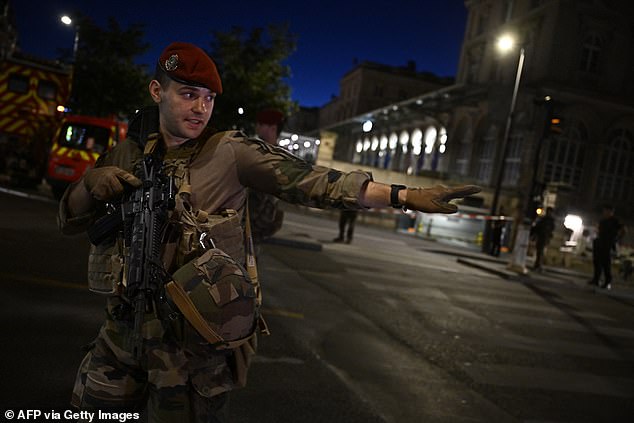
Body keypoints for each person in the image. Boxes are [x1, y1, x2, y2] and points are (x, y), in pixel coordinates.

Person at [58, 41, 481, 421]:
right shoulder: (126, 152)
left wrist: (402, 196)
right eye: (188, 94)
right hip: (121, 336)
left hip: (189, 352)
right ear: (157, 92)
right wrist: (89, 186)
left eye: (207, 98)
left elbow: (312, 181)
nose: (200, 108)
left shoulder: (228, 152)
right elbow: (68, 218)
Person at [248, 109, 286, 245]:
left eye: (261, 123)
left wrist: (253, 230)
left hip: (252, 232)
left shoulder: (274, 159)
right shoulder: (259, 153)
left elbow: (269, 202)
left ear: (273, 128)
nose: (257, 126)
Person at [589, 204, 625, 289]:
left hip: (608, 244)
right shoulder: (603, 221)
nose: (605, 213)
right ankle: (596, 279)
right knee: (597, 261)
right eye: (604, 211)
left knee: (606, 263)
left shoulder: (615, 221)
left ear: (611, 212)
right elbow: (599, 230)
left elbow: (623, 230)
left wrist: (616, 239)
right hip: (600, 242)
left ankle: (607, 281)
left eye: (607, 211)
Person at [530, 207, 555, 271]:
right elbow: (538, 227)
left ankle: (538, 265)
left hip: (544, 237)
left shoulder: (548, 220)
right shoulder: (545, 219)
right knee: (539, 251)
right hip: (542, 237)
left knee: (540, 252)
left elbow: (551, 229)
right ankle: (538, 265)